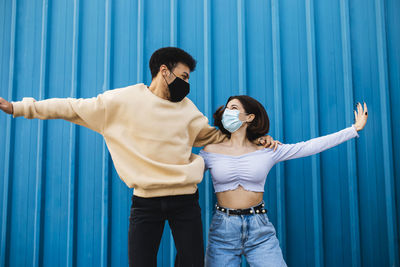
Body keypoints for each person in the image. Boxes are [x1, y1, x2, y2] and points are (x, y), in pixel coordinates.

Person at [0, 47, 278, 267]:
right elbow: (70, 108)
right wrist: (18, 107)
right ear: (163, 71)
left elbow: (214, 137)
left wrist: (256, 140)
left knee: (193, 263)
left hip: (185, 202)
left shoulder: (188, 109)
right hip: (145, 203)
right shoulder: (119, 102)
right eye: (183, 76)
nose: (186, 84)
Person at [199, 95, 368, 267]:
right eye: (227, 109)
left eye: (234, 108)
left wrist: (353, 129)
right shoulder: (210, 150)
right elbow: (187, 171)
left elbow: (308, 146)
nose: (228, 112)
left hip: (259, 229)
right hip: (223, 229)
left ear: (249, 117)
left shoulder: (268, 150)